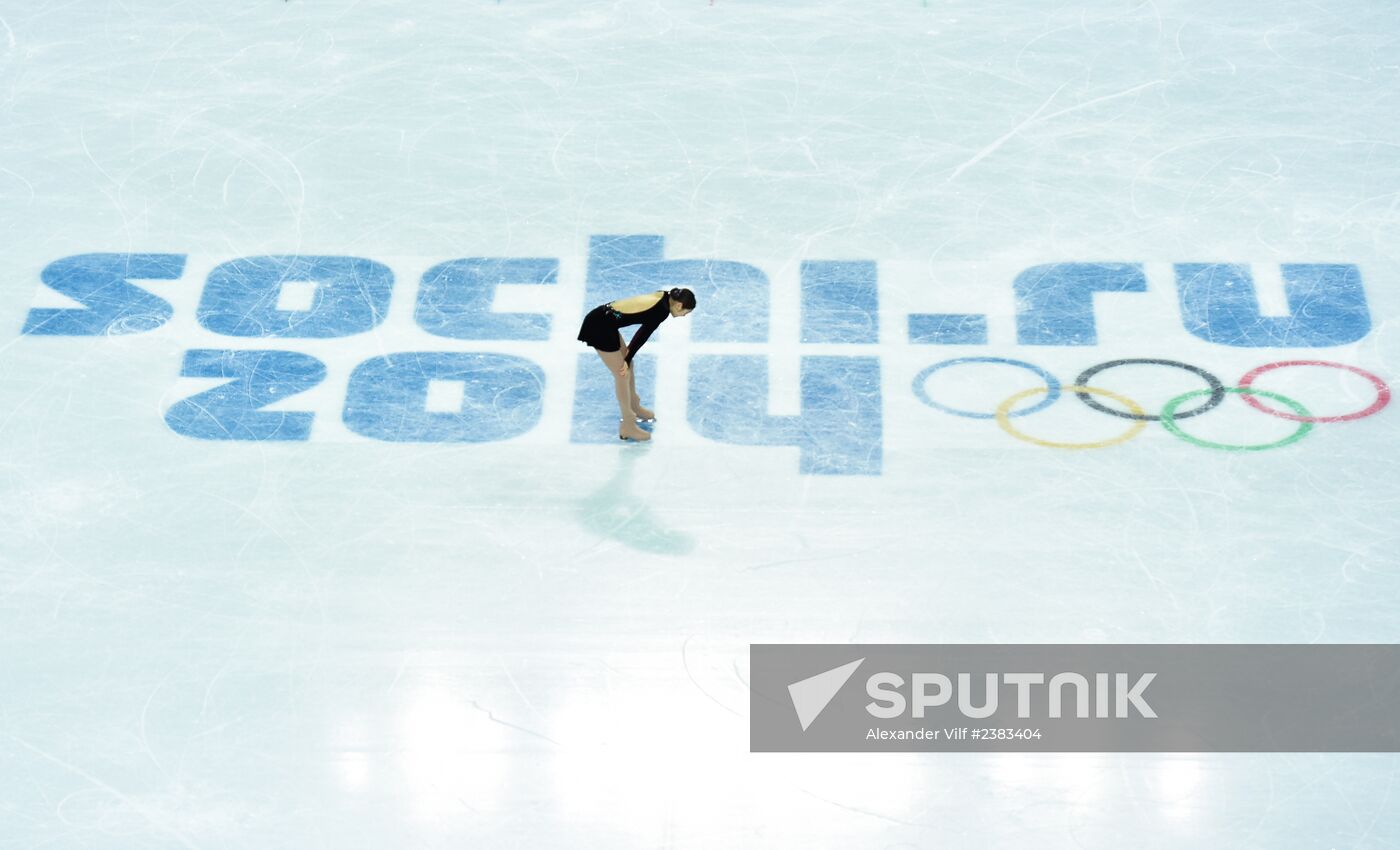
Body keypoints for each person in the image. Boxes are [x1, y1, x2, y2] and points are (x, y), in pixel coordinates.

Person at [577, 287, 696, 441]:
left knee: (628, 366)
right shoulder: (661, 310)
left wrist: (627, 359)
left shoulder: (665, 296)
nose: (684, 315)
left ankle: (634, 405)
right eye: (686, 312)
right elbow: (642, 335)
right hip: (598, 326)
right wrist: (625, 359)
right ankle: (628, 425)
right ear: (679, 305)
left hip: (606, 322)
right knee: (622, 373)